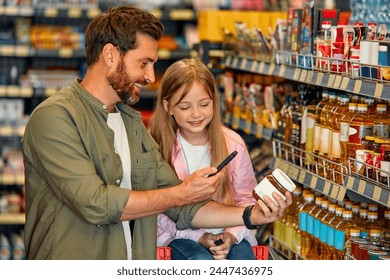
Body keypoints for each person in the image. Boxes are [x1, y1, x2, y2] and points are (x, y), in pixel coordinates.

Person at [21, 6, 292, 260]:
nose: (151, 76)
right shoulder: (55, 117)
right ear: (110, 55)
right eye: (143, 63)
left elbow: (181, 206)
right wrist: (183, 193)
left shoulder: (131, 123)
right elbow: (96, 203)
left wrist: (251, 215)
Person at [149, 58, 258, 260]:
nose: (196, 114)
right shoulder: (157, 147)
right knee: (201, 261)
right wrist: (198, 236)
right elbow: (157, 208)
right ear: (168, 106)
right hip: (178, 236)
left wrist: (232, 235)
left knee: (243, 261)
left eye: (204, 104)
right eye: (185, 107)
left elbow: (246, 200)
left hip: (232, 234)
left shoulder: (233, 145)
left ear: (214, 102)